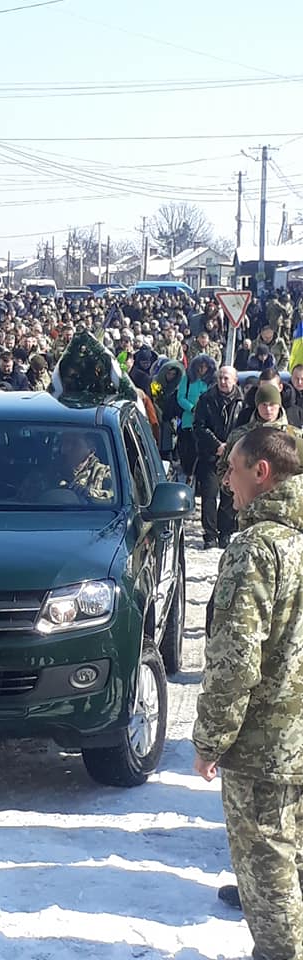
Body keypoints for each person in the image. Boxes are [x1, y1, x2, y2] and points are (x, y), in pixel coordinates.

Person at [193, 427, 303, 960]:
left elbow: (236, 659)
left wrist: (210, 739)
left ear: (262, 473)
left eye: (232, 470)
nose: (225, 482)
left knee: (271, 881)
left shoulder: (257, 548)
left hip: (267, 749)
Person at [193, 366, 243, 549]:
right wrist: (217, 446)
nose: (223, 381)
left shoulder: (242, 401)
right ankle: (210, 535)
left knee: (229, 495)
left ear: (235, 380)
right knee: (209, 495)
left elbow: (244, 427)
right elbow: (199, 426)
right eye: (220, 378)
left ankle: (226, 532)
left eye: (227, 378)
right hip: (210, 455)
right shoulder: (206, 399)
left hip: (234, 457)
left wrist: (231, 448)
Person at [176, 354, 216, 484]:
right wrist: (192, 408)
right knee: (190, 451)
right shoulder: (187, 379)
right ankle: (189, 474)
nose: (202, 369)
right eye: (200, 366)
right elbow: (180, 397)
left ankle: (199, 479)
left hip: (206, 422)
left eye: (205, 367)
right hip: (188, 421)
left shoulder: (211, 381)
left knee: (203, 453)